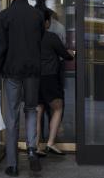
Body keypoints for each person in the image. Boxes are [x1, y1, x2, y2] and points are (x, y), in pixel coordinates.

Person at [0, 0, 45, 176]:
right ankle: (31, 148)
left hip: (11, 72)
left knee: (12, 115)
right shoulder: (37, 16)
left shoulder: (4, 16)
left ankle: (12, 165)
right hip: (33, 71)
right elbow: (38, 42)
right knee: (31, 110)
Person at [35, 9, 74, 156]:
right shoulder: (51, 37)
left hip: (34, 79)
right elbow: (65, 55)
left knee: (38, 111)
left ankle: (37, 146)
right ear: (46, 23)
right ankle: (51, 143)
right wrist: (72, 53)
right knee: (57, 108)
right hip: (50, 78)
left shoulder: (30, 38)